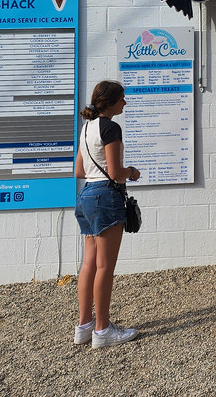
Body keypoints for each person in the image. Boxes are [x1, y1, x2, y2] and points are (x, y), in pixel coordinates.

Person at [73, 80, 142, 348]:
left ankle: (85, 326)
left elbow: (79, 171)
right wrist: (132, 172)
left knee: (89, 264)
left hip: (87, 195)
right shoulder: (111, 127)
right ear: (111, 102)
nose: (125, 102)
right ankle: (103, 330)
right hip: (106, 197)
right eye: (122, 98)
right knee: (105, 266)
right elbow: (115, 172)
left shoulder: (87, 127)